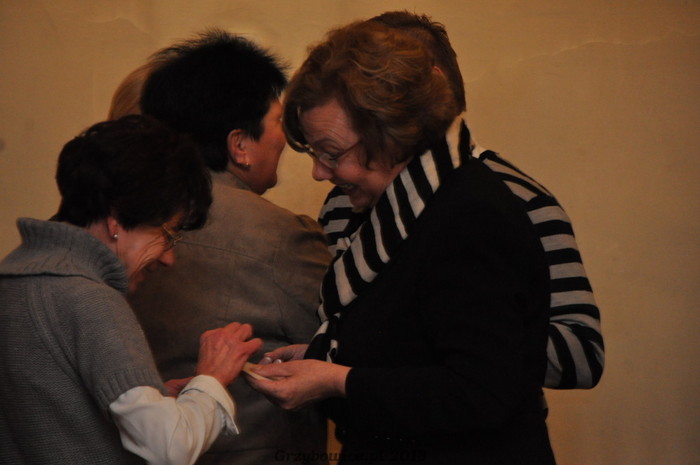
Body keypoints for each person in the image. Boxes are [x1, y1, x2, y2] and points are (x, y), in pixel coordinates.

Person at [248, 20, 559, 464]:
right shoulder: (403, 208)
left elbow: (479, 391)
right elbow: (409, 343)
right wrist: (323, 355)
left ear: (391, 133)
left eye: (332, 153)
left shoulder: (470, 216)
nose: (319, 173)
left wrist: (336, 380)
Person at [318, 11, 604, 390]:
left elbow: (583, 356)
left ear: (428, 88)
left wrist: (446, 337)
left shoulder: (519, 198)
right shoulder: (342, 203)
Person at [0, 115, 263, 465]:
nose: (168, 258)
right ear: (117, 220)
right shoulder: (90, 299)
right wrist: (211, 379)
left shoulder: (13, 279)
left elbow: (51, 412)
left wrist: (156, 400)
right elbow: (168, 447)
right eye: (167, 234)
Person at [125, 30, 332, 464]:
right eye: (278, 121)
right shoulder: (282, 236)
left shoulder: (127, 219)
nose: (285, 139)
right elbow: (338, 341)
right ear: (239, 145)